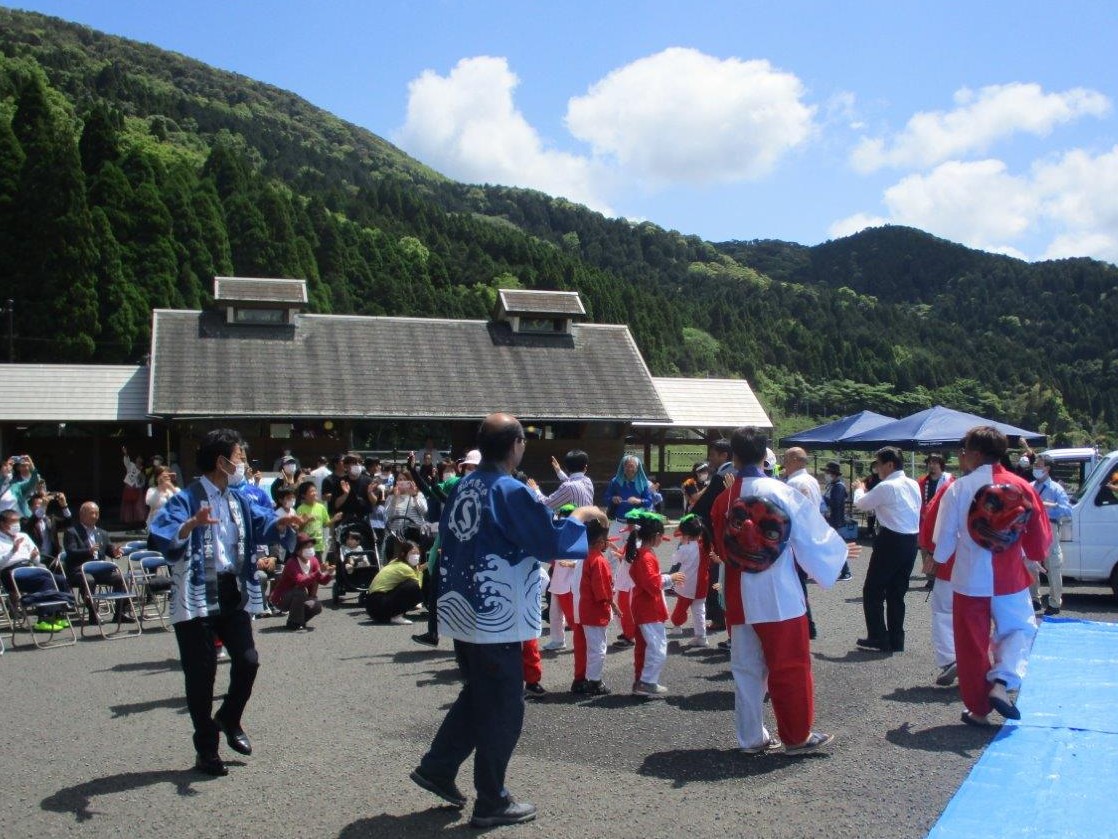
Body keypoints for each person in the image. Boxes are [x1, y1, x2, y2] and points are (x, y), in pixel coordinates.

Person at [411, 413, 590, 828]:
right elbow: (547, 539)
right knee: (504, 707)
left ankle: (438, 766)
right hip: (498, 613)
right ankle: (492, 798)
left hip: (461, 608)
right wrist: (578, 520)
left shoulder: (463, 487)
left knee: (479, 695)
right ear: (516, 445)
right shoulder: (509, 491)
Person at [148, 429, 300, 777]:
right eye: (240, 457)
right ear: (222, 462)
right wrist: (188, 525)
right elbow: (162, 533)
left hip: (232, 588)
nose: (243, 464)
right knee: (201, 676)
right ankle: (206, 749)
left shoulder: (239, 498)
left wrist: (282, 521)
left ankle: (229, 717)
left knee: (248, 661)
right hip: (196, 597)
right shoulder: (186, 498)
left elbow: (261, 523)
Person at [711, 426, 854, 755]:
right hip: (779, 591)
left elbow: (720, 543)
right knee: (789, 665)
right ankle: (796, 735)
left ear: (733, 455)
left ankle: (751, 738)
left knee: (747, 669)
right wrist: (836, 558)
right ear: (765, 456)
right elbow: (808, 537)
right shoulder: (780, 490)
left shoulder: (724, 498)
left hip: (738, 590)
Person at [932, 426, 1051, 726]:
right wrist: (1035, 556)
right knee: (1019, 629)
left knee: (971, 644)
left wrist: (937, 561)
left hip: (969, 578)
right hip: (1010, 577)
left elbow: (944, 540)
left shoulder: (957, 488)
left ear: (973, 453)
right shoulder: (1022, 485)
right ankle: (1002, 681)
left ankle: (978, 709)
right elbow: (1038, 536)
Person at [852, 447, 921, 653]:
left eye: (879, 464)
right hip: (911, 540)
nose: (877, 469)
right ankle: (896, 639)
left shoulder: (887, 486)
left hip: (891, 538)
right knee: (897, 592)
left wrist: (859, 487)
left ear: (889, 465)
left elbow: (861, 504)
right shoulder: (913, 483)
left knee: (873, 589)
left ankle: (877, 636)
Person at [625, 510, 680, 698]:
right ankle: (647, 682)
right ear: (656, 536)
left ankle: (640, 682)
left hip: (643, 607)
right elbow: (652, 584)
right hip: (649, 609)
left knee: (644, 647)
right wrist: (670, 578)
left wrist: (665, 578)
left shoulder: (641, 554)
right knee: (658, 648)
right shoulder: (646, 556)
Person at [687, 439, 735, 634]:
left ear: (724, 455)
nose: (710, 458)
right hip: (735, 535)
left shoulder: (720, 477)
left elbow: (703, 508)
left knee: (715, 576)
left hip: (716, 534)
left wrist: (692, 525)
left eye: (713, 454)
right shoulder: (737, 472)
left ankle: (718, 618)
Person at [62, 501, 133, 625]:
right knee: (89, 580)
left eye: (97, 513)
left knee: (120, 578)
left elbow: (110, 550)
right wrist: (88, 551)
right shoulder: (72, 532)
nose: (95, 516)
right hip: (80, 570)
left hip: (100, 570)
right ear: (82, 515)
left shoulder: (102, 533)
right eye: (92, 513)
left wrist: (115, 552)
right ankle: (93, 613)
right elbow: (71, 552)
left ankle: (120, 613)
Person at [570, 509, 613, 695]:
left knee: (583, 646)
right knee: (596, 648)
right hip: (592, 609)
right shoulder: (597, 559)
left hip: (579, 605)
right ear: (599, 540)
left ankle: (581, 679)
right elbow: (601, 589)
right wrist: (610, 603)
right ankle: (593, 681)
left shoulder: (583, 555)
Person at [782, 447, 822, 640]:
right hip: (810, 535)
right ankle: (807, 623)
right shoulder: (812, 480)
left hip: (796, 538)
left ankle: (805, 623)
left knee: (795, 583)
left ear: (796, 460)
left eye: (787, 460)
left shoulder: (794, 482)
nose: (785, 464)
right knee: (799, 582)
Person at [1030, 453, 1072, 616]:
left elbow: (1067, 510)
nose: (1036, 468)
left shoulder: (1056, 488)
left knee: (1053, 564)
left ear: (1047, 468)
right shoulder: (1030, 486)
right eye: (1035, 465)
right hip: (1031, 528)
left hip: (1050, 527)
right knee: (1031, 563)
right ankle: (1034, 598)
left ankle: (1054, 602)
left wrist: (1049, 506)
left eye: (1039, 466)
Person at [269, 532, 332, 630]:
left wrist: (329, 573)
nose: (310, 549)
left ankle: (299, 621)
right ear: (298, 550)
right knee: (300, 591)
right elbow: (301, 582)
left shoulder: (314, 561)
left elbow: (321, 580)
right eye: (307, 547)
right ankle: (294, 622)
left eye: (311, 546)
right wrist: (319, 572)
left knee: (316, 606)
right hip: (282, 599)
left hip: (300, 597)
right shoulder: (292, 563)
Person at [669, 514, 710, 647]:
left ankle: (677, 626)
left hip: (687, 584)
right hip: (702, 583)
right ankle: (701, 636)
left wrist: (682, 543)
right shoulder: (705, 545)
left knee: (681, 608)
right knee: (699, 610)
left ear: (686, 534)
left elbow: (674, 560)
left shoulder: (685, 548)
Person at [366, 539, 424, 624]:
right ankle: (396, 616)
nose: (416, 556)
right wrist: (420, 572)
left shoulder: (395, 561)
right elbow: (418, 587)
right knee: (413, 586)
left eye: (417, 553)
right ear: (403, 554)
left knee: (408, 584)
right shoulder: (405, 568)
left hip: (372, 605)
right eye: (413, 553)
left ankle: (393, 613)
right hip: (379, 605)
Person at [917, 455, 954, 589]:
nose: (932, 466)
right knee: (925, 548)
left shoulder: (949, 480)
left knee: (941, 546)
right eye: (930, 463)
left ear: (941, 464)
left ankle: (941, 576)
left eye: (935, 463)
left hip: (942, 518)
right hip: (926, 520)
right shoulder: (922, 481)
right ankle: (930, 577)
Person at [821, 461, 853, 581]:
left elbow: (836, 503)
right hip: (832, 521)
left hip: (836, 522)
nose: (826, 475)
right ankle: (840, 571)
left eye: (828, 472)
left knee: (837, 547)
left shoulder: (839, 487)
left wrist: (822, 499)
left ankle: (846, 572)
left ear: (833, 474)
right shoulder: (833, 485)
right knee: (832, 547)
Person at [120, 447, 148, 529]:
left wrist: (140, 485)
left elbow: (143, 480)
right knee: (129, 506)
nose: (139, 459)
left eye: (141, 458)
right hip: (129, 487)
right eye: (138, 457)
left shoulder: (144, 469)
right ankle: (130, 524)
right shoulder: (131, 465)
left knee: (138, 507)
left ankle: (139, 523)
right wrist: (125, 453)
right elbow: (126, 462)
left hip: (138, 489)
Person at [145, 466, 179, 531]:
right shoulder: (152, 490)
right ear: (156, 478)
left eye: (167, 475)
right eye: (162, 476)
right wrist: (160, 486)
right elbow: (151, 503)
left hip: (172, 524)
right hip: (156, 525)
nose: (165, 478)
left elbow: (181, 501)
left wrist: (171, 487)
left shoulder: (176, 490)